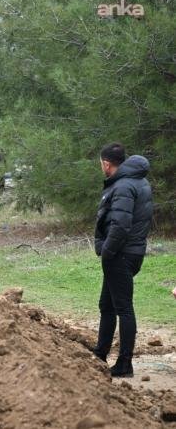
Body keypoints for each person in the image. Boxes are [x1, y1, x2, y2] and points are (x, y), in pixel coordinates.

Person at [92, 143, 153, 378]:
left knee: (123, 308)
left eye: (101, 163)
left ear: (107, 164)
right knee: (107, 306)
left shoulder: (124, 186)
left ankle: (125, 364)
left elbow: (120, 226)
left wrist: (106, 252)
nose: (101, 167)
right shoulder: (138, 181)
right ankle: (99, 354)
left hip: (121, 254)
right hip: (130, 253)